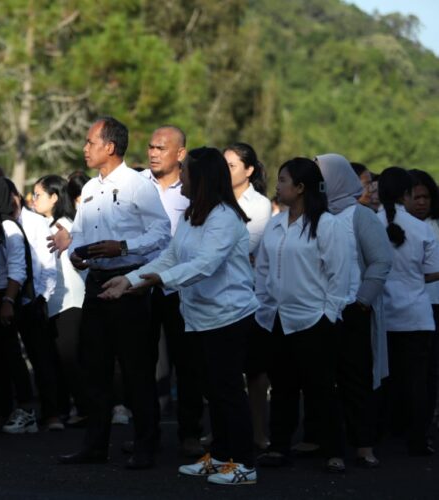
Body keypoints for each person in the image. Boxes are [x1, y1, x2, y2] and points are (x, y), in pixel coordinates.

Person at [100, 146, 258, 485]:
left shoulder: (225, 217)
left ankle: (243, 463)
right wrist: (129, 280)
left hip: (229, 316)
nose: (180, 176)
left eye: (185, 171)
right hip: (201, 316)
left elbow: (205, 264)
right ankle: (219, 457)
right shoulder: (191, 214)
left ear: (200, 178)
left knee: (229, 390)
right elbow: (171, 257)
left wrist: (159, 280)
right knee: (213, 391)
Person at [54, 117, 171, 470]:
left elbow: (162, 232)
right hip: (96, 282)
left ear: (109, 146)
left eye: (90, 142)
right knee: (94, 368)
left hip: (129, 281)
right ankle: (95, 444)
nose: (84, 148)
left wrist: (122, 246)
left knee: (136, 370)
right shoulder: (88, 189)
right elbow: (81, 238)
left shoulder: (138, 184)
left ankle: (146, 445)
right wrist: (75, 251)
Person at [255, 158, 349, 472]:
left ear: (300, 187)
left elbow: (340, 275)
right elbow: (263, 270)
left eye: (283, 180)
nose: (277, 186)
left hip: (314, 319)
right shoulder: (275, 223)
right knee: (282, 388)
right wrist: (263, 308)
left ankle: (334, 450)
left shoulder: (326, 224)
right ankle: (279, 447)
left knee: (321, 388)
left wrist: (329, 314)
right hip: (278, 318)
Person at [317, 153, 392, 467]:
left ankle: (363, 444)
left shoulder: (360, 215)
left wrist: (363, 299)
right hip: (320, 310)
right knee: (323, 382)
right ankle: (331, 448)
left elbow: (380, 259)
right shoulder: (315, 214)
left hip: (352, 309)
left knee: (356, 379)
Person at [139, 126, 203, 458]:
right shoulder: (136, 187)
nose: (152, 153)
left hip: (181, 288)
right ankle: (145, 435)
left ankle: (190, 433)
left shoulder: (192, 191)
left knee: (187, 363)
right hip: (141, 286)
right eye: (150, 147)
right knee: (142, 364)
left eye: (161, 148)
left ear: (180, 153)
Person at [378, 166, 439, 456]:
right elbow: (432, 273)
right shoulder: (422, 228)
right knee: (418, 381)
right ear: (406, 193)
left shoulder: (368, 223)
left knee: (383, 378)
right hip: (416, 314)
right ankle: (417, 438)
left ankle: (383, 432)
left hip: (381, 315)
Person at [223, 142, 273, 452]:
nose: (225, 172)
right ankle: (225, 432)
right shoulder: (217, 201)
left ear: (249, 170)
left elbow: (245, 246)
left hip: (251, 296)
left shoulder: (260, 204)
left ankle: (258, 432)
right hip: (222, 294)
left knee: (255, 371)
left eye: (231, 166)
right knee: (224, 373)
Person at [32, 175, 90, 426]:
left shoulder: (63, 226)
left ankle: (87, 409)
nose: (33, 200)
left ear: (54, 198)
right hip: (59, 301)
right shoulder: (51, 224)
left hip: (71, 300)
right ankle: (72, 409)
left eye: (38, 195)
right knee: (62, 358)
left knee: (71, 358)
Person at [0, 175, 36, 431]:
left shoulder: (10, 227)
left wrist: (7, 301)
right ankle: (2, 409)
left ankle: (26, 408)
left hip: (6, 295)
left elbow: (17, 269)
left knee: (11, 356)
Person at [14, 185, 61, 431]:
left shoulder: (34, 222)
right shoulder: (0, 222)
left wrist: (41, 297)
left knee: (41, 359)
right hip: (12, 300)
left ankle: (52, 413)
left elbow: (47, 262)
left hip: (33, 300)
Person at [405, 169, 439, 430]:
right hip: (409, 309)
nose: (421, 202)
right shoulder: (396, 225)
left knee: (431, 371)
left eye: (425, 197)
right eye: (415, 197)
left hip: (435, 305)